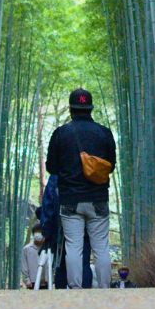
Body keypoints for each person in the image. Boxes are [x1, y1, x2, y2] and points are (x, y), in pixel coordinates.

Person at [45, 87, 116, 289]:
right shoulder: (104, 133)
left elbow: (51, 167)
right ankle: (104, 288)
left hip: (70, 200)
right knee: (101, 246)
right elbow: (111, 165)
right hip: (98, 197)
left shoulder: (61, 134)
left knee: (73, 246)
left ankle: (75, 289)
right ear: (91, 108)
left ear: (71, 109)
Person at [38, 173, 93, 288]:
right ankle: (86, 296)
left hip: (61, 228)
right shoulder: (89, 171)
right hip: (86, 227)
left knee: (62, 263)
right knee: (84, 260)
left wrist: (46, 230)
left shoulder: (58, 174)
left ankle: (63, 297)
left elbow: (49, 204)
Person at [21, 225, 48, 289]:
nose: (39, 235)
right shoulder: (27, 249)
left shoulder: (48, 249)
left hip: (46, 282)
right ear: (33, 234)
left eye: (41, 232)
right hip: (32, 282)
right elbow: (24, 266)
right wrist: (27, 280)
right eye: (37, 232)